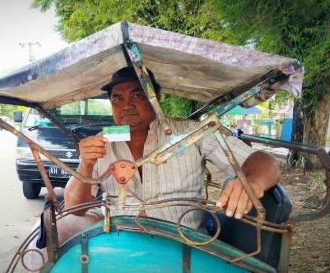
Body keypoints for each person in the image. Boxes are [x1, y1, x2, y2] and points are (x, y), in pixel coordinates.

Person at [64, 66, 281, 230]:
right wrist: (86, 163)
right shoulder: (102, 141)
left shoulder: (191, 132)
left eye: (137, 95)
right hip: (122, 248)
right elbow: (74, 207)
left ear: (155, 98)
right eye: (117, 99)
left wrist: (251, 183)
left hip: (184, 246)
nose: (127, 105)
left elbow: (265, 163)